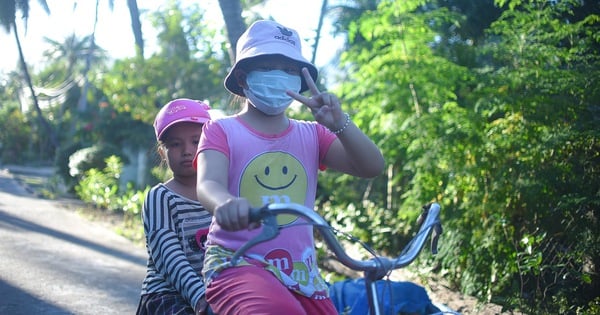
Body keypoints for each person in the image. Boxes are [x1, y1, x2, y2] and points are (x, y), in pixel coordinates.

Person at [194, 20, 385, 315]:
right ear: (243, 77)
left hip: (302, 273)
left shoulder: (313, 133)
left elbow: (372, 166)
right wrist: (226, 203)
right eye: (268, 66)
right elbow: (208, 184)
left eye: (289, 69)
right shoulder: (221, 130)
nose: (280, 76)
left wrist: (340, 123)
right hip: (237, 263)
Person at [137, 98, 213, 315]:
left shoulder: (222, 194)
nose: (187, 151)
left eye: (196, 141)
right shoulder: (161, 198)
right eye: (176, 144)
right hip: (166, 294)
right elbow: (169, 257)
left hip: (214, 291)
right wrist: (199, 296)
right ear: (163, 152)